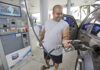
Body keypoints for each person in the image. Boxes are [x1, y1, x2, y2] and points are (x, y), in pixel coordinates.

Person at [39, 5, 72, 70]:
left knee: (56, 62)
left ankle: (55, 69)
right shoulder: (47, 22)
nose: (60, 16)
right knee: (47, 58)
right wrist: (40, 41)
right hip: (46, 48)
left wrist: (65, 41)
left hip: (57, 50)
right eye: (58, 14)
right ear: (53, 13)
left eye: (61, 13)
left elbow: (65, 36)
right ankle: (46, 65)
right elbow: (43, 33)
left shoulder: (65, 24)